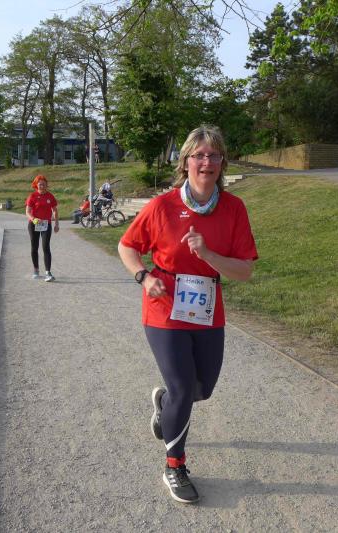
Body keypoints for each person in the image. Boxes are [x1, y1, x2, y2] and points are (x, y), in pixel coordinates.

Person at [118, 125, 258, 504]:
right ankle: (174, 465)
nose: (206, 162)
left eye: (213, 155)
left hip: (207, 308)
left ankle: (165, 405)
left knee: (201, 389)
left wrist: (208, 254)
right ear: (185, 163)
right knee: (183, 388)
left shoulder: (233, 209)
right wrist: (144, 277)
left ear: (222, 163)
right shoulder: (161, 206)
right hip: (164, 307)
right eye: (198, 155)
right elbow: (127, 246)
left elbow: (245, 271)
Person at [25, 174, 59, 281]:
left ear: (46, 185)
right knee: (34, 247)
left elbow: (55, 210)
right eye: (40, 184)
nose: (42, 186)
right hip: (34, 224)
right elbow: (27, 212)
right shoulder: (32, 196)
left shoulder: (50, 196)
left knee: (46, 247)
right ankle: (36, 270)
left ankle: (48, 273)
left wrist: (56, 224)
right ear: (36, 185)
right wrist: (33, 219)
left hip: (46, 224)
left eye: (44, 184)